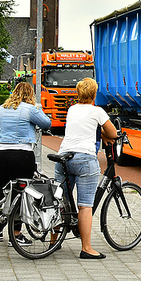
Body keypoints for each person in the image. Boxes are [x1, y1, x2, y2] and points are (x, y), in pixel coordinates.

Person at [0, 82, 52, 244]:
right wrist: (38, 108)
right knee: (21, 194)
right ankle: (16, 234)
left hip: (3, 155)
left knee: (4, 191)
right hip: (23, 155)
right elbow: (47, 123)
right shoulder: (30, 109)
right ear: (30, 95)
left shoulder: (2, 109)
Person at [55, 78, 116, 259]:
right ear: (94, 94)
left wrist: (100, 133)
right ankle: (87, 248)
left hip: (63, 157)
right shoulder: (98, 111)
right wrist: (108, 135)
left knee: (60, 201)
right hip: (84, 159)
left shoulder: (72, 109)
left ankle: (53, 241)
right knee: (85, 206)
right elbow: (112, 133)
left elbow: (84, 128)